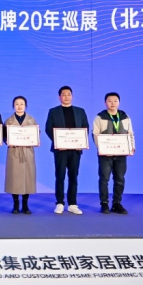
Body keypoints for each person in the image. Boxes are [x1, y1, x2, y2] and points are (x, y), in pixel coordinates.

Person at [45, 86, 89, 215]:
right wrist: (58, 143)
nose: (66, 97)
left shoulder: (80, 111)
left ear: (72, 96)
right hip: (61, 150)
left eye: (69, 94)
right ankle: (59, 203)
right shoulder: (53, 111)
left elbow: (85, 128)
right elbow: (48, 128)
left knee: (73, 176)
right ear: (59, 97)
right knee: (60, 176)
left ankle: (72, 204)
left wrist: (81, 142)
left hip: (75, 150)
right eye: (63, 94)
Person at [93, 92, 135, 215]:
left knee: (120, 179)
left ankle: (117, 203)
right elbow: (95, 134)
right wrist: (102, 148)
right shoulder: (100, 117)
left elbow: (130, 133)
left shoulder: (125, 117)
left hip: (121, 154)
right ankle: (104, 203)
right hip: (105, 155)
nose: (112, 103)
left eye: (115, 101)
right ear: (105, 103)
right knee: (104, 179)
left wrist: (131, 147)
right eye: (109, 101)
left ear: (119, 102)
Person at [4, 96, 37, 214]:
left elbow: (36, 134)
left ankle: (25, 204)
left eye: (22, 104)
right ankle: (16, 204)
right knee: (14, 178)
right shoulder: (9, 121)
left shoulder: (32, 120)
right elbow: (3, 135)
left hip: (27, 152)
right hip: (14, 152)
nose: (19, 106)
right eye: (16, 104)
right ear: (13, 106)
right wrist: (8, 141)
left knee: (28, 177)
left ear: (25, 106)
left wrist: (35, 140)